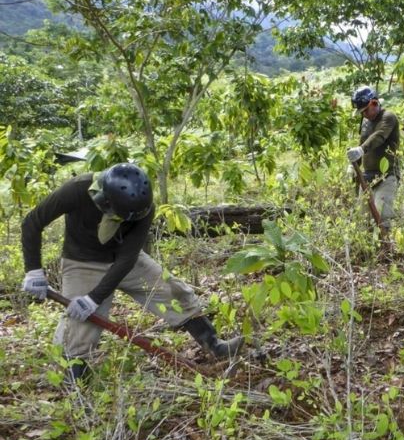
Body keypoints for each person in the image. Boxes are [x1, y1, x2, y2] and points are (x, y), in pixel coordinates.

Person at [21, 163, 244, 383]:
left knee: (174, 291)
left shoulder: (143, 208)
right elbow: (33, 222)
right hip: (83, 263)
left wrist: (94, 298)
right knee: (80, 326)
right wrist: (33, 270)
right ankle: (74, 379)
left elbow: (127, 258)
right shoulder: (77, 189)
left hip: (126, 259)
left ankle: (214, 346)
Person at [346, 86, 400, 238]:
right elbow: (362, 142)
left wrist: (361, 150)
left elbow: (379, 136)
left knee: (382, 216)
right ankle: (369, 256)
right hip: (368, 177)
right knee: (363, 220)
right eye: (361, 112)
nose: (364, 114)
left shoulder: (388, 117)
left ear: (375, 103)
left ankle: (386, 253)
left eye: (365, 110)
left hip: (387, 176)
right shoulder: (365, 122)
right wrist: (354, 163)